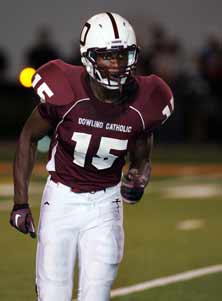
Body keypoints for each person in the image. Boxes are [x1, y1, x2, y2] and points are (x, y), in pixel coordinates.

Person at [10, 12, 174, 301]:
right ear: (88, 57)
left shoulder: (145, 100)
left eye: (122, 56)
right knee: (53, 296)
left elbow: (142, 157)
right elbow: (28, 137)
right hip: (60, 201)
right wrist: (20, 203)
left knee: (96, 296)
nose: (116, 65)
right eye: (108, 57)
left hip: (105, 204)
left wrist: (139, 177)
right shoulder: (65, 88)